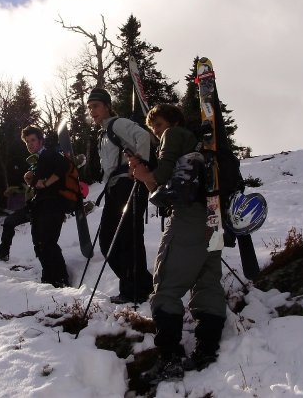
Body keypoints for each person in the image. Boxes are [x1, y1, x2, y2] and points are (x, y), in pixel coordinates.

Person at [129, 104, 227, 381]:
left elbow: (161, 178)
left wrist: (144, 174)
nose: (157, 132)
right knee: (208, 283)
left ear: (171, 121)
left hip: (189, 219)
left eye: (157, 125)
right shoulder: (199, 144)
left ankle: (170, 358)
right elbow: (165, 186)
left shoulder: (172, 134)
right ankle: (207, 351)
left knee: (167, 286)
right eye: (154, 128)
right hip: (214, 217)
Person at [86, 87, 154, 304]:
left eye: (95, 106)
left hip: (129, 184)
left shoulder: (117, 124)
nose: (92, 111)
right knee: (110, 242)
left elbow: (143, 136)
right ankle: (141, 284)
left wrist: (140, 166)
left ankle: (134, 290)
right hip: (115, 188)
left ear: (107, 106)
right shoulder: (103, 133)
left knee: (128, 239)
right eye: (89, 108)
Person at [0, 125, 70, 288]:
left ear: (40, 140)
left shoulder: (48, 154)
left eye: (33, 140)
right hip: (40, 206)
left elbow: (63, 166)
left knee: (48, 242)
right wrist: (30, 180)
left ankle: (61, 279)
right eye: (27, 142)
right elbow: (37, 184)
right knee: (39, 244)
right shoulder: (37, 160)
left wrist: (46, 182)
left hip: (53, 205)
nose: (30, 144)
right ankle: (49, 279)